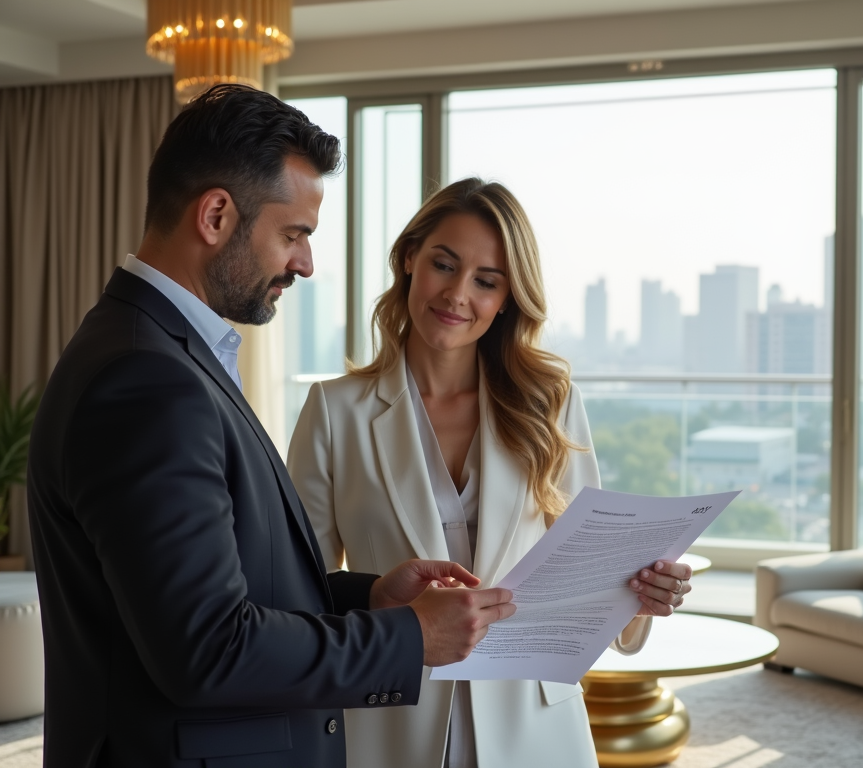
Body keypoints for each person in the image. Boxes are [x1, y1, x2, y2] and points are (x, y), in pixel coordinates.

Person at [26, 86, 515, 768]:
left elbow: (224, 586)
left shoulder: (159, 353)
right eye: (294, 235)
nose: (306, 264)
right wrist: (407, 639)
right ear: (218, 215)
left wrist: (369, 597)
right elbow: (207, 649)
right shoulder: (145, 380)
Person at [287, 178, 693, 768]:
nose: (457, 294)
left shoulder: (549, 402)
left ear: (507, 297)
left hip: (533, 719)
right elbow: (301, 589)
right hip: (391, 717)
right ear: (409, 259)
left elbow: (590, 569)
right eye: (443, 265)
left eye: (486, 280)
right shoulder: (334, 410)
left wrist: (643, 594)